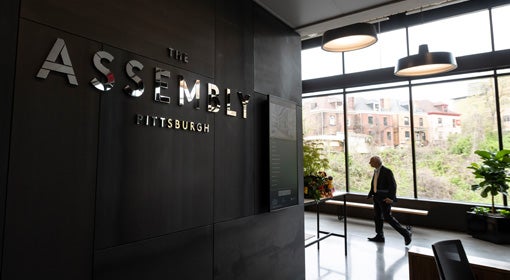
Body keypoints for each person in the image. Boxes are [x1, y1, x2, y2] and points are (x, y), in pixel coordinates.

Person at [367, 156, 412, 245]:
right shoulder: (375, 171)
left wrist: (391, 198)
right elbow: (374, 184)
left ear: (376, 162)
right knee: (377, 217)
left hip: (385, 199)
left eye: (371, 161)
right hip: (376, 197)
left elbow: (393, 186)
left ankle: (406, 233)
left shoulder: (387, 171)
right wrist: (371, 193)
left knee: (388, 217)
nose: (369, 163)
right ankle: (380, 236)